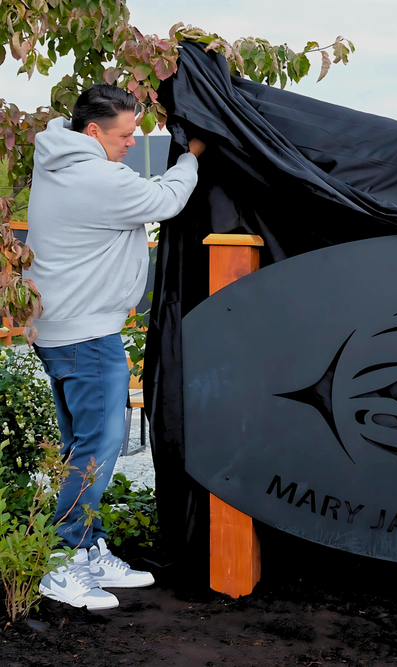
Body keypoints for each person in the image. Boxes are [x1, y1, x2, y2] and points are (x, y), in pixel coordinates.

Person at [25, 84, 206, 610]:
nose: (132, 143)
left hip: (61, 331)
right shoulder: (96, 178)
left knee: (80, 447)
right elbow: (166, 200)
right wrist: (191, 157)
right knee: (98, 449)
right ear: (92, 131)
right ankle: (62, 558)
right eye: (126, 135)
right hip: (87, 336)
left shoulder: (57, 159)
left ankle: (88, 547)